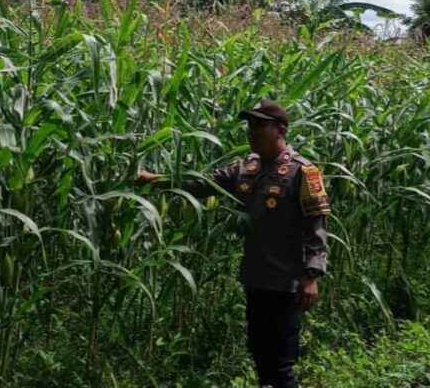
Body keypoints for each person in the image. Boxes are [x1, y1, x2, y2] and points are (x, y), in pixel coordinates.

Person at [136, 99, 329, 388]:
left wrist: (311, 275)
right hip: (255, 278)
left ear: (281, 130)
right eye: (250, 125)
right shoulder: (245, 167)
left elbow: (316, 226)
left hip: (285, 283)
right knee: (261, 356)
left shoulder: (303, 171)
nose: (251, 131)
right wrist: (155, 180)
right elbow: (201, 184)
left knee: (281, 365)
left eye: (259, 125)